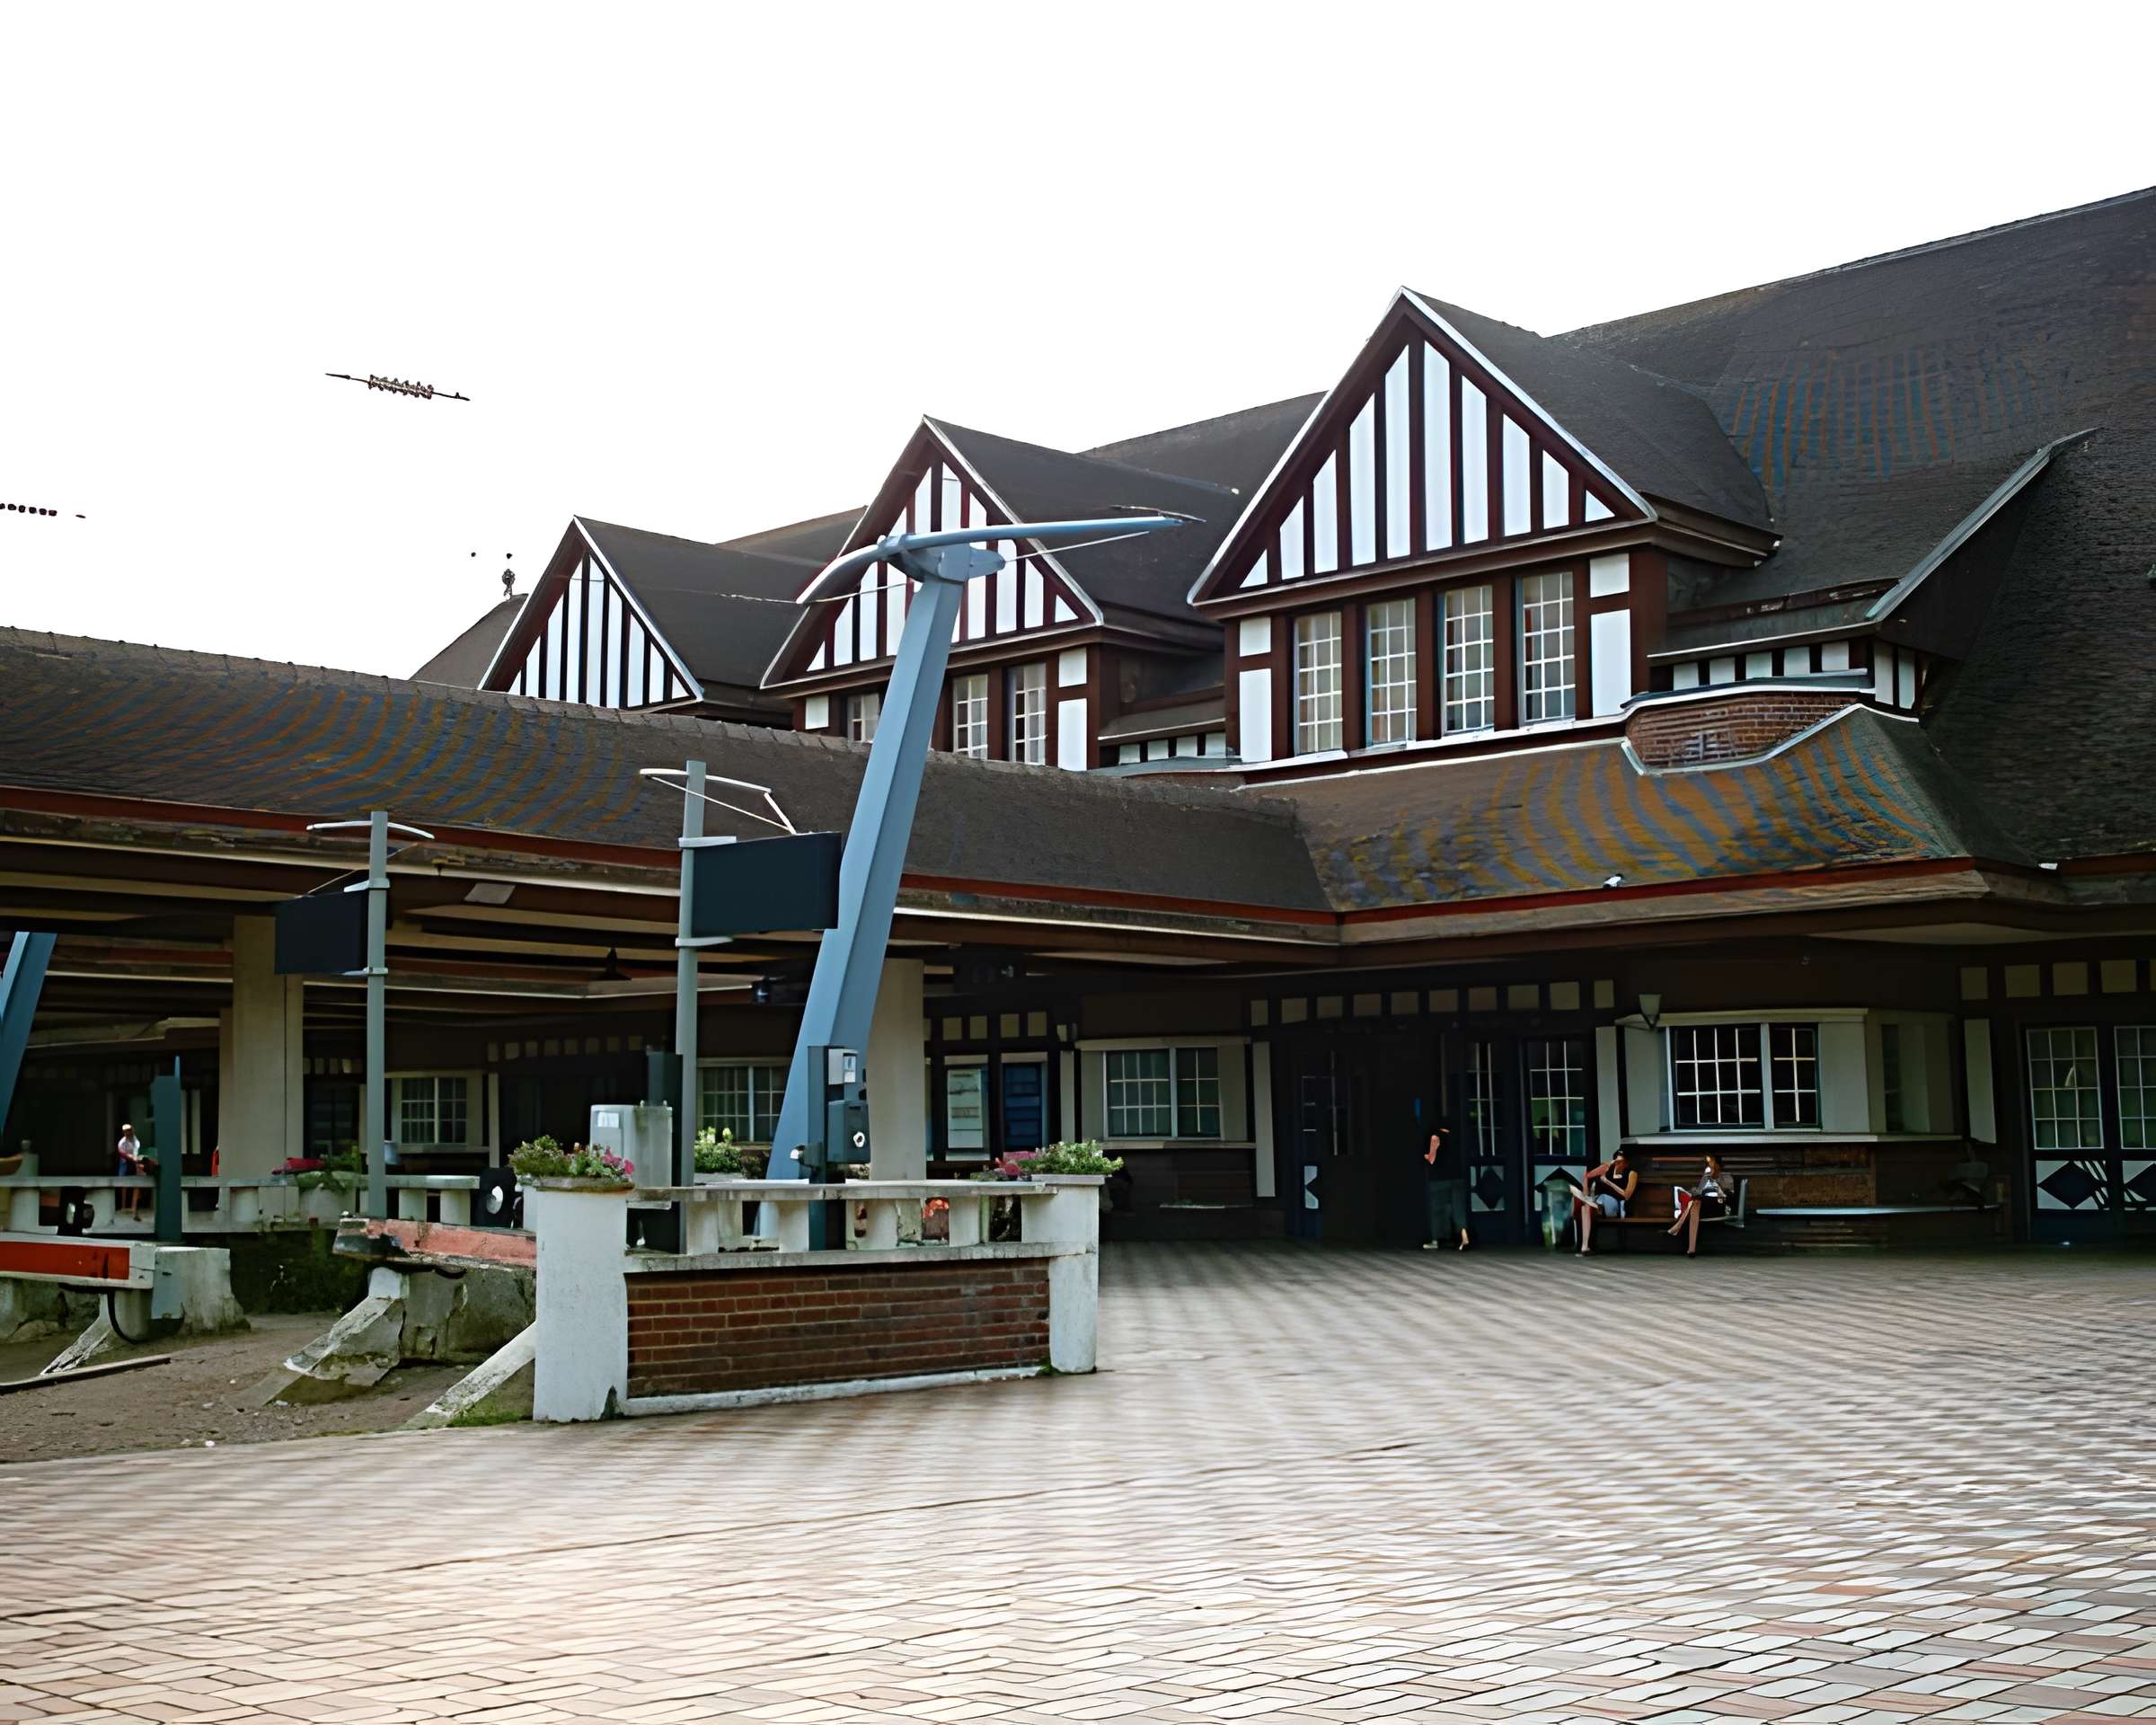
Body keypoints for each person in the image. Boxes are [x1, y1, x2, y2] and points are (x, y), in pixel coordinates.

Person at [1571, 1150, 1636, 1255]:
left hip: (1614, 1204)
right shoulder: (1608, 1169)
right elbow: (1588, 1176)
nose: (1618, 1164)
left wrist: (1608, 1182)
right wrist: (1586, 1188)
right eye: (1616, 1161)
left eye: (1621, 1161)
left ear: (1627, 1163)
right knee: (1585, 1207)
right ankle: (1585, 1247)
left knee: (1587, 1206)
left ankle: (1585, 1245)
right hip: (1598, 1200)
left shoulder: (1631, 1173)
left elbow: (1627, 1195)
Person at [1668, 1152, 1733, 1257]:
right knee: (1695, 1203)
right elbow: (1699, 1191)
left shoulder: (1726, 1176)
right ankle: (1691, 1249)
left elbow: (1728, 1195)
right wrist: (1705, 1179)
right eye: (1709, 1163)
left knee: (1695, 1202)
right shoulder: (1707, 1175)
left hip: (1719, 1205)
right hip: (1704, 1205)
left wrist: (1716, 1181)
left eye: (1711, 1162)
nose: (1710, 1165)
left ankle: (1678, 1225)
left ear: (1718, 1164)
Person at [1420, 1126, 1470, 1252]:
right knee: (1458, 1208)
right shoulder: (1455, 1137)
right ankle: (1463, 1233)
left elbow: (1432, 1158)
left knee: (1437, 1210)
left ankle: (1436, 1240)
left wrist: (1426, 1156)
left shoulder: (1435, 1137)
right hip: (1457, 1177)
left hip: (1439, 1179)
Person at [116, 1122, 144, 1216]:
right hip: (125, 1161)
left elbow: (136, 1153)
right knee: (123, 1181)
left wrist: (134, 1159)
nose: (128, 1133)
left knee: (137, 1180)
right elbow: (122, 1153)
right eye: (126, 1131)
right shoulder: (122, 1142)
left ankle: (133, 1206)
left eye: (129, 1131)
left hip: (134, 1161)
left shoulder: (136, 1142)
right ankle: (123, 1206)